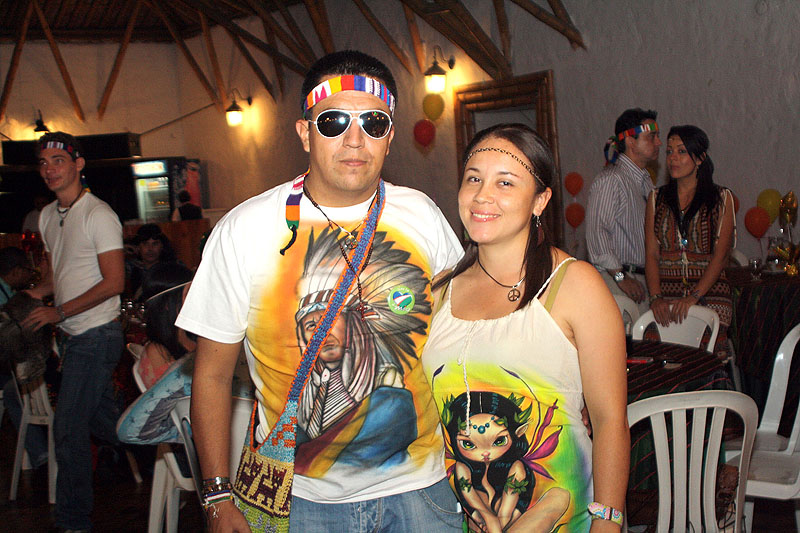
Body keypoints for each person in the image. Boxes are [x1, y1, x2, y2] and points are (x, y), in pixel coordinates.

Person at [176, 50, 464, 532]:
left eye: (373, 122)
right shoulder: (245, 229)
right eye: (333, 122)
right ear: (305, 132)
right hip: (301, 503)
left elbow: (465, 332)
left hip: (421, 492)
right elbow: (211, 375)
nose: (355, 139)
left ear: (390, 137)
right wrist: (218, 498)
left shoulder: (422, 215)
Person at [423, 124, 629, 532]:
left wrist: (608, 522)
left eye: (505, 182)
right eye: (474, 179)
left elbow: (609, 420)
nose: (482, 195)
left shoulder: (575, 285)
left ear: (540, 200)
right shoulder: (439, 291)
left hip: (564, 517)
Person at [20, 131, 125, 533]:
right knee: (109, 425)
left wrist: (58, 311)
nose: (49, 169)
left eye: (58, 161)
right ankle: (159, 440)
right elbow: (57, 276)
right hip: (71, 336)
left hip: (97, 335)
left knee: (67, 429)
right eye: (43, 163)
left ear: (78, 164)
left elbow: (114, 282)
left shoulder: (99, 215)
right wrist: (33, 295)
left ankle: (73, 522)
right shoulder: (47, 215)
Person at [645, 125, 735, 357]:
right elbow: (652, 254)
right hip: (667, 293)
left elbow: (721, 256)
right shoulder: (657, 199)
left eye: (681, 151)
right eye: (669, 151)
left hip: (710, 293)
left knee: (704, 349)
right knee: (654, 346)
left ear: (700, 158)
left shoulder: (721, 198)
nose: (673, 158)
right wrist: (655, 297)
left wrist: (694, 297)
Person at [586, 108, 662, 313]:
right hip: (618, 282)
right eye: (652, 136)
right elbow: (597, 233)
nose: (658, 143)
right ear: (630, 141)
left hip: (642, 281)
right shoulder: (611, 180)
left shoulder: (646, 183)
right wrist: (620, 277)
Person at [125, 223, 177, 298]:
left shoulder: (173, 267)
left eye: (155, 244)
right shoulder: (130, 267)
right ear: (138, 247)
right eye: (145, 244)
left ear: (162, 246)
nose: (150, 249)